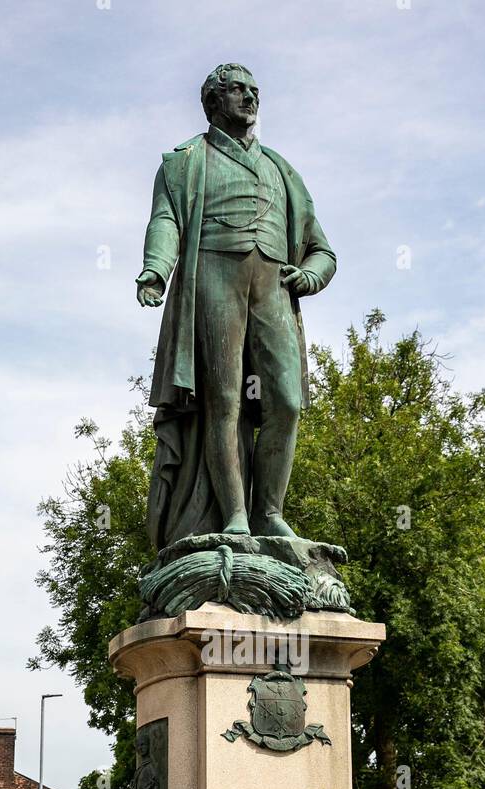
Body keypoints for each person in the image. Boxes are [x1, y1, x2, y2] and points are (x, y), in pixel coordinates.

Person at [137, 62, 336, 548]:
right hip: (213, 275)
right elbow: (166, 221)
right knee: (223, 399)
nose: (249, 99)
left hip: (273, 284)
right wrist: (156, 269)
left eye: (254, 91)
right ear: (212, 102)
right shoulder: (185, 162)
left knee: (286, 402)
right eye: (236, 91)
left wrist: (310, 275)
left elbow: (322, 249)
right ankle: (236, 517)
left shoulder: (282, 170)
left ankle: (271, 512)